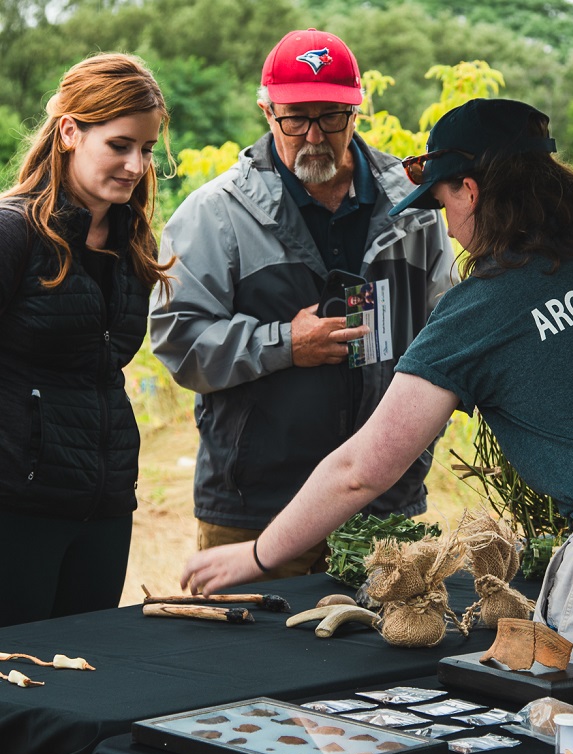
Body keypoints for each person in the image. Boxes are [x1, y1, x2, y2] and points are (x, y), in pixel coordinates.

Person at [181, 97, 573, 720]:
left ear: (471, 191)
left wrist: (257, 555)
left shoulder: (485, 306)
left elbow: (364, 468)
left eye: (445, 203)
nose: (447, 227)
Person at [149, 28, 454, 578]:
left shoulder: (416, 209)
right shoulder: (213, 214)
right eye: (296, 118)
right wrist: (284, 344)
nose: (314, 136)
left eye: (330, 116)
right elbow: (179, 341)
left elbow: (446, 329)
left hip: (384, 501)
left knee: (392, 657)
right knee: (253, 664)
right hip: (257, 505)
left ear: (355, 114)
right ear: (267, 113)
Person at [0, 53, 174, 626]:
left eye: (146, 150)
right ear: (71, 131)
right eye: (120, 145)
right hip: (17, 510)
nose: (135, 165)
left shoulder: (132, 242)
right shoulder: (11, 233)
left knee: (83, 677)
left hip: (104, 509)